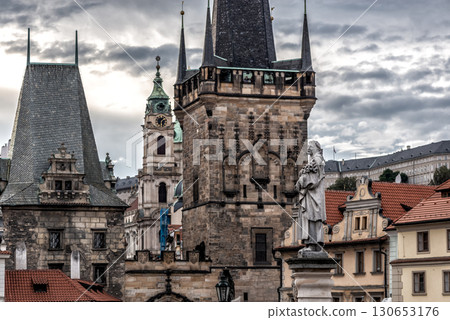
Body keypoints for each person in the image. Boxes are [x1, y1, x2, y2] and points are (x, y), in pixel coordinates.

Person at [295, 140, 326, 252]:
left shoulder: (317, 160)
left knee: (312, 217)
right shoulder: (315, 160)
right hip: (311, 195)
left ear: (316, 147)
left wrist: (300, 181)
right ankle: (313, 245)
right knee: (311, 218)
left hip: (314, 195)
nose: (308, 148)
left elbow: (312, 178)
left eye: (310, 146)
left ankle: (313, 245)